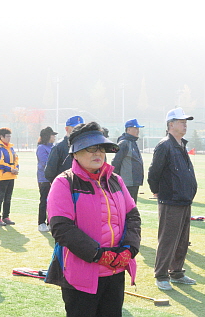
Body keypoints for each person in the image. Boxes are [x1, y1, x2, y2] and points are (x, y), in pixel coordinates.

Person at [45, 122, 141, 317]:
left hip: (115, 273)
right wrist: (98, 255)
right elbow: (62, 228)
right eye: (90, 148)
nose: (98, 153)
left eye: (101, 148)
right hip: (80, 276)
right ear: (75, 153)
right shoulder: (64, 183)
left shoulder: (115, 180)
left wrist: (129, 250)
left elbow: (133, 216)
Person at [148, 107, 197, 291]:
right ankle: (161, 275)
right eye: (181, 121)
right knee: (168, 239)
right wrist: (157, 191)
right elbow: (154, 172)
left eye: (185, 121)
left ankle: (176, 272)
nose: (185, 124)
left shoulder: (180, 144)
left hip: (183, 199)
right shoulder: (164, 145)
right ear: (170, 125)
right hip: (171, 200)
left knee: (182, 240)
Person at [111, 118, 145, 203]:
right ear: (128, 129)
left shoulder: (133, 142)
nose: (138, 131)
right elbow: (115, 162)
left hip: (134, 182)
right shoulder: (124, 143)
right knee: (127, 207)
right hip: (127, 183)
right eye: (135, 128)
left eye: (138, 129)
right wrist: (116, 180)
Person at [44, 116, 84, 183]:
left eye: (81, 127)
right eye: (75, 128)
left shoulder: (86, 145)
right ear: (66, 129)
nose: (78, 130)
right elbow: (49, 172)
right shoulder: (59, 146)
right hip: (65, 187)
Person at [0, 127, 19, 226]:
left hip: (11, 176)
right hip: (1, 176)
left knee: (8, 198)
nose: (9, 138)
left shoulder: (10, 147)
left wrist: (16, 168)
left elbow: (16, 158)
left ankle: (6, 216)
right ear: (1, 136)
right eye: (7, 136)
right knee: (0, 197)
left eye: (10, 136)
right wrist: (11, 169)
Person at [36, 126, 58, 232]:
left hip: (53, 178)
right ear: (47, 136)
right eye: (52, 135)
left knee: (52, 201)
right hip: (44, 179)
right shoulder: (41, 148)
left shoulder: (53, 147)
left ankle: (50, 222)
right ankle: (41, 222)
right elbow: (44, 163)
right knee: (44, 200)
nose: (54, 137)